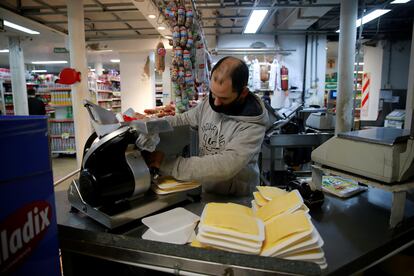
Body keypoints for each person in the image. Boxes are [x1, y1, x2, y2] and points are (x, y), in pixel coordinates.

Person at [147, 56, 269, 196]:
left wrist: (169, 164)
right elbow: (183, 120)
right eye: (213, 94)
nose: (215, 103)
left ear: (243, 93)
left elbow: (225, 166)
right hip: (208, 192)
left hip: (238, 199)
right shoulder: (209, 103)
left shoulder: (253, 124)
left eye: (224, 98)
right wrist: (150, 126)